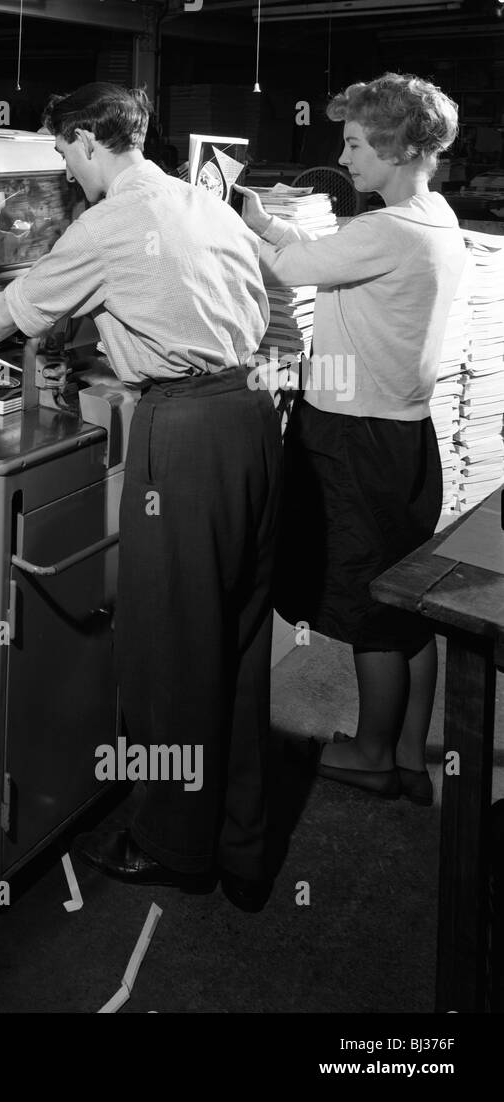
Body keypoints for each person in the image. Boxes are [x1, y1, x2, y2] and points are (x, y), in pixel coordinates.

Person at [0, 83, 281, 911]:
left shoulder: (113, 221)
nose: (62, 167)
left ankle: (171, 844)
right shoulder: (202, 203)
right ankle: (242, 844)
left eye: (60, 151)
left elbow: (11, 309)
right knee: (238, 638)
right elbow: (225, 301)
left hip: (185, 433)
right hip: (252, 419)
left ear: (88, 140)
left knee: (168, 651)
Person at [234, 73, 465, 805]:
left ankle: (368, 753)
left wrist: (231, 223)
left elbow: (296, 269)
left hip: (353, 439)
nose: (346, 155)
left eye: (358, 143)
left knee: (367, 606)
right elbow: (325, 250)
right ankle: (404, 755)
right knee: (401, 606)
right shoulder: (430, 217)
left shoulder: (386, 229)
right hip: (401, 436)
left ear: (397, 150)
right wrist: (267, 220)